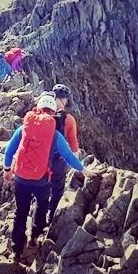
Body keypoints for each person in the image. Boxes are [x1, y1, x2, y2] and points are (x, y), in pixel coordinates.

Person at [3, 91, 83, 261]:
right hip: (41, 181)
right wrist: (83, 170)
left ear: (38, 108)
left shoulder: (24, 126)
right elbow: (69, 156)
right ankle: (34, 237)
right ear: (53, 113)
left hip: (21, 178)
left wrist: (7, 169)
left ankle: (17, 249)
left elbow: (9, 150)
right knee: (41, 206)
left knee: (20, 212)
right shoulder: (55, 134)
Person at [48, 83, 80, 223]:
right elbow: (74, 145)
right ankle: (51, 215)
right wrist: (78, 165)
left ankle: (37, 218)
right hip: (58, 160)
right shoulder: (69, 119)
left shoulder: (41, 114)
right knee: (57, 189)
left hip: (40, 157)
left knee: (41, 186)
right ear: (64, 100)